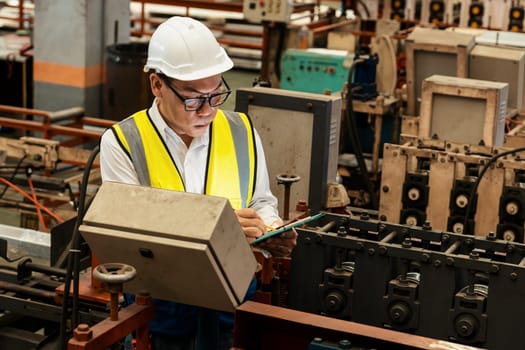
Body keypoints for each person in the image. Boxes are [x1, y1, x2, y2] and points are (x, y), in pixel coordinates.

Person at [99, 16, 297, 350]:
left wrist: (272, 229)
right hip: (162, 311)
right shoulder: (123, 143)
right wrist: (215, 228)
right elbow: (127, 233)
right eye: (193, 98)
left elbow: (261, 201)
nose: (207, 110)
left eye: (216, 93)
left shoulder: (241, 131)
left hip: (232, 304)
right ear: (157, 85)